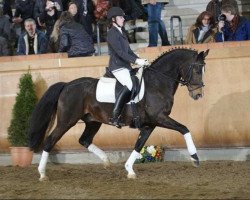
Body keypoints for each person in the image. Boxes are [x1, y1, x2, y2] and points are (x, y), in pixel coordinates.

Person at [106, 7, 149, 128]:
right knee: (130, 85)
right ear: (113, 19)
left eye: (123, 17)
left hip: (125, 66)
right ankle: (114, 116)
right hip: (117, 67)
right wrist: (136, 60)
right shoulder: (112, 33)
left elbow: (128, 51)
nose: (123, 19)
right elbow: (120, 52)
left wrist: (140, 60)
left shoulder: (121, 32)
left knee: (138, 82)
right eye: (120, 17)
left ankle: (135, 114)